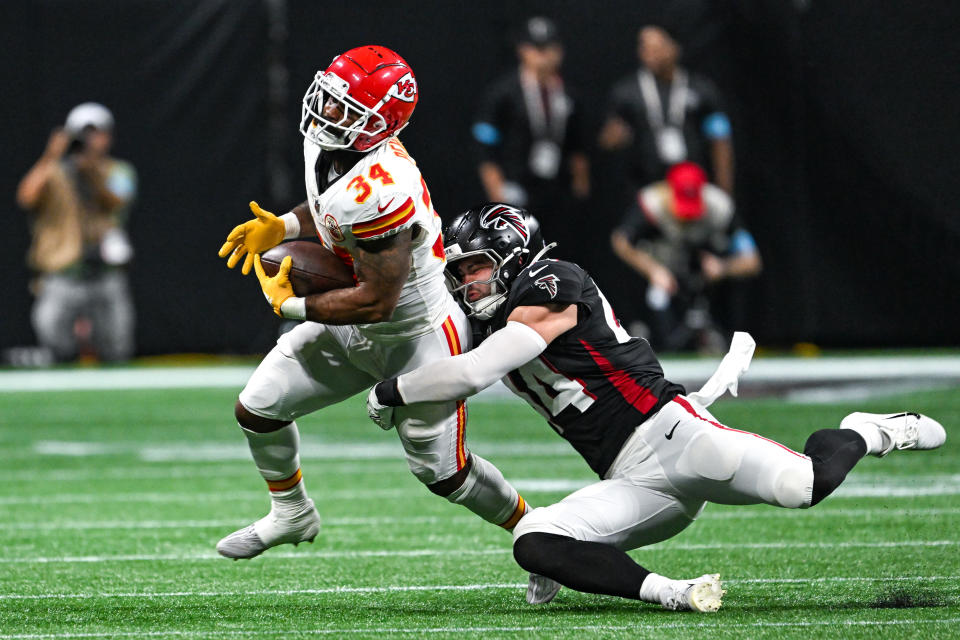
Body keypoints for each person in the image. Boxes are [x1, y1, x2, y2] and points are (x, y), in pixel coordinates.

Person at [366, 203, 946, 611]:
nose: (467, 282)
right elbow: (454, 362)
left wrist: (392, 389)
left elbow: (474, 372)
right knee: (535, 542)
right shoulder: (495, 317)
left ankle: (867, 432)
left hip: (674, 434)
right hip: (630, 477)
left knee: (805, 485)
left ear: (512, 255)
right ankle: (669, 592)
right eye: (460, 272)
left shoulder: (552, 282)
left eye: (475, 267)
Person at [214, 46, 531, 561]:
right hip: (361, 319)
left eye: (342, 107)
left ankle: (536, 529)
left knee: (444, 473)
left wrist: (290, 306)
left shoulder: (381, 189)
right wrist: (287, 226)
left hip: (417, 335)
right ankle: (291, 512)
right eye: (328, 97)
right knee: (258, 408)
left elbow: (376, 302)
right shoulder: (330, 145)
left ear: (378, 123)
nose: (324, 111)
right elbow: (328, 210)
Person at [15, 102, 137, 363]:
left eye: (97, 133)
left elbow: (119, 200)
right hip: (64, 272)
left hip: (106, 273)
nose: (91, 141)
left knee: (117, 347)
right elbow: (26, 197)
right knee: (54, 342)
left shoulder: (118, 171)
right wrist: (51, 155)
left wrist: (91, 169)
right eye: (85, 135)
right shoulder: (53, 173)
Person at [610, 161, 761, 352]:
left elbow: (752, 261)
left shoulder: (720, 207)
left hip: (704, 278)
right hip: (661, 271)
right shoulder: (651, 203)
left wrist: (723, 267)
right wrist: (653, 270)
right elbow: (620, 241)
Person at [471, 16, 589, 221]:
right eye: (536, 48)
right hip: (514, 187)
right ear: (522, 50)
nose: (542, 56)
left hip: (555, 189)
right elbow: (485, 145)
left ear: (559, 51)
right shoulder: (503, 94)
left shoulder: (568, 95)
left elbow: (577, 144)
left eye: (548, 48)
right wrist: (496, 190)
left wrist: (580, 184)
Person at [598, 25, 734, 194]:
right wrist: (613, 137)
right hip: (645, 188)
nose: (650, 54)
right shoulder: (626, 93)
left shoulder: (701, 90)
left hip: (694, 187)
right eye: (645, 48)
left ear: (674, 48)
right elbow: (606, 140)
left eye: (657, 48)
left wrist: (724, 187)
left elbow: (720, 139)